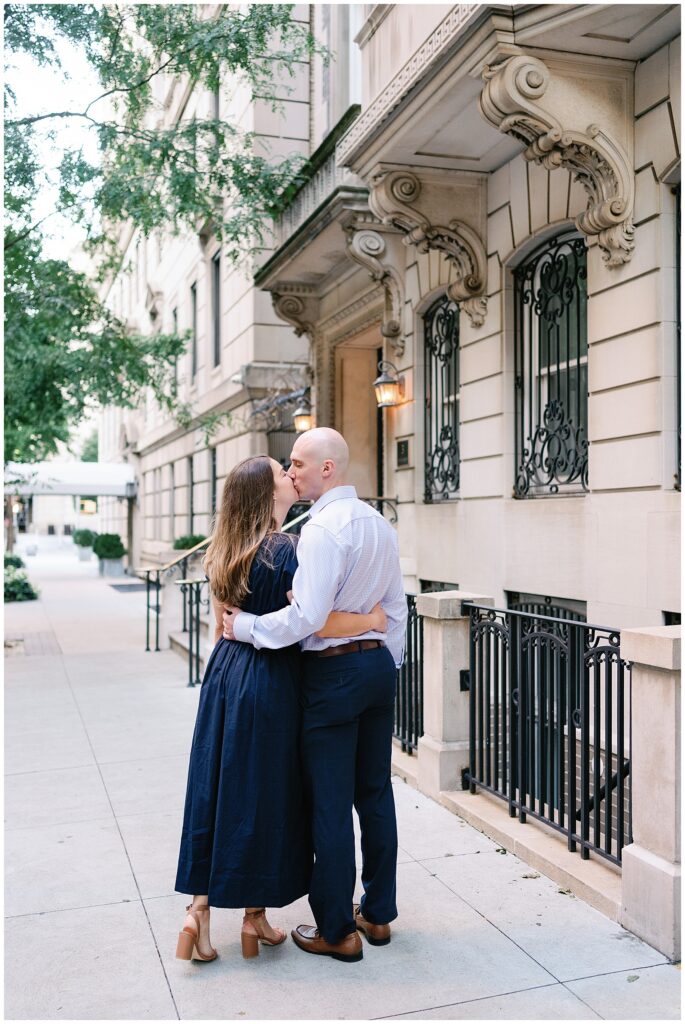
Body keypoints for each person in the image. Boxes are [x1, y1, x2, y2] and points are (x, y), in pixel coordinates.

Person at [174, 454, 387, 962]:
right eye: (281, 474)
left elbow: (219, 625)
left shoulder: (223, 549)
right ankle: (252, 917)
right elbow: (311, 617)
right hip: (271, 680)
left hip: (225, 674)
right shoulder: (290, 549)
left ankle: (200, 914)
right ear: (268, 495)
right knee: (266, 796)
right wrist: (372, 617)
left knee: (219, 789)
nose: (291, 476)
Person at [223, 428, 407, 963]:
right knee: (374, 795)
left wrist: (247, 628)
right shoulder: (379, 524)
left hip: (333, 677)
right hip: (377, 669)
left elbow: (305, 620)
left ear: (328, 469)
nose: (291, 469)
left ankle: (336, 929)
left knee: (329, 801)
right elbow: (396, 609)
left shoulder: (324, 530)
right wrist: (382, 656)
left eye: (299, 462)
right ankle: (376, 915)